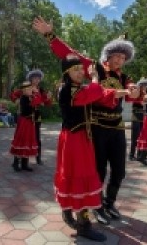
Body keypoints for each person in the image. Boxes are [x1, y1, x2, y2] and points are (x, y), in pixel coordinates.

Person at [32, 16, 140, 225]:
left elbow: (133, 92)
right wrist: (49, 34)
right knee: (97, 170)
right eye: (116, 56)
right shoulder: (93, 68)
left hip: (117, 127)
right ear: (107, 56)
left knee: (119, 170)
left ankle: (109, 203)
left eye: (123, 58)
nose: (120, 61)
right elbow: (67, 53)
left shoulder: (124, 77)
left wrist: (135, 90)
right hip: (96, 128)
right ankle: (96, 206)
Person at [55, 54, 128, 242]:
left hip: (78, 139)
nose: (81, 73)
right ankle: (83, 226)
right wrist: (95, 77)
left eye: (81, 69)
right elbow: (93, 93)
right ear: (66, 73)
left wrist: (122, 93)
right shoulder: (67, 90)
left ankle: (69, 212)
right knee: (81, 178)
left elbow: (101, 94)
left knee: (74, 177)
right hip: (75, 140)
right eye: (76, 70)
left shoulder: (76, 88)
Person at [11, 69, 52, 165]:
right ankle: (17, 160)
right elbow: (13, 94)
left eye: (38, 78)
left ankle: (38, 157)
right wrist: (16, 100)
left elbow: (46, 102)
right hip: (25, 117)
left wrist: (48, 99)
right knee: (22, 137)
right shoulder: (26, 87)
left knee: (36, 137)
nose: (37, 80)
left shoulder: (41, 90)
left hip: (36, 116)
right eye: (35, 78)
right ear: (31, 79)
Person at [10, 81, 41, 172]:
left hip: (30, 123)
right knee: (21, 141)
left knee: (28, 142)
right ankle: (16, 163)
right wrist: (36, 93)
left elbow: (38, 102)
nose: (31, 90)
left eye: (31, 89)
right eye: (28, 89)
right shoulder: (24, 98)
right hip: (24, 122)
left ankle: (24, 164)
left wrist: (35, 94)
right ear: (24, 91)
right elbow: (33, 104)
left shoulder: (30, 97)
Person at [129, 77, 147, 161]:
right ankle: (131, 154)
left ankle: (139, 155)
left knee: (141, 136)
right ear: (141, 86)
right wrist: (141, 102)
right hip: (135, 116)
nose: (146, 87)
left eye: (146, 85)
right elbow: (133, 101)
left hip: (143, 116)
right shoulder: (136, 92)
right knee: (135, 136)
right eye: (144, 85)